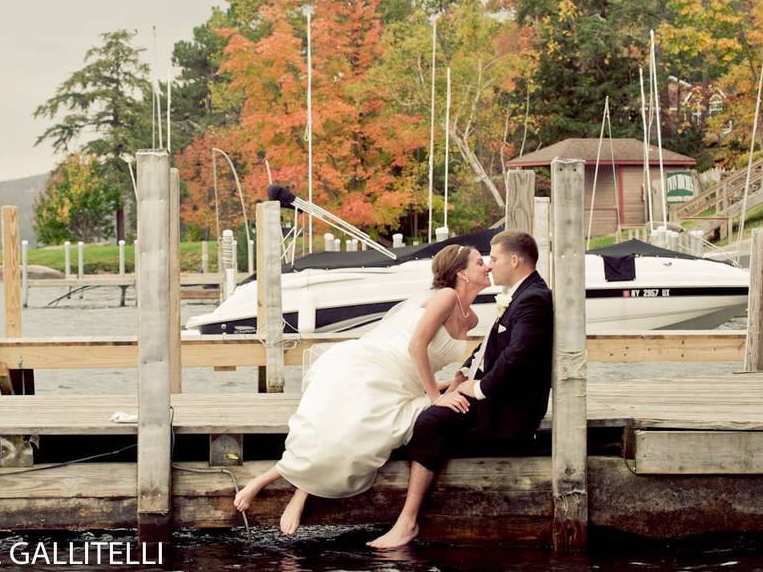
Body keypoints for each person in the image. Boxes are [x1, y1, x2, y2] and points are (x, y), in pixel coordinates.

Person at [233, 243, 491, 534]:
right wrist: (434, 397)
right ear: (462, 273)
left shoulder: (473, 318)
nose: (488, 266)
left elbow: (432, 358)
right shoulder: (445, 297)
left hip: (410, 384)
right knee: (351, 427)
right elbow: (416, 346)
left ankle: (303, 489)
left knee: (368, 438)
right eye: (480, 262)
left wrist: (442, 386)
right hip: (384, 367)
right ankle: (265, 480)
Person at [369, 230, 553, 548]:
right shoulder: (523, 294)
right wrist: (462, 375)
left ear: (514, 259)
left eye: (493, 259)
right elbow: (492, 349)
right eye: (485, 261)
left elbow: (517, 355)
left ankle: (407, 521)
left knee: (430, 421)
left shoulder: (533, 298)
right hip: (499, 398)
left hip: (510, 412)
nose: (490, 266)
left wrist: (478, 388)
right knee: (426, 414)